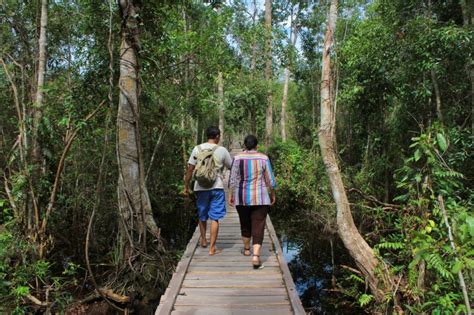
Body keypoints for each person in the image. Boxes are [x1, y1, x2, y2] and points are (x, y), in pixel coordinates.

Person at [229, 135, 276, 268]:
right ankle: (256, 256)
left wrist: (231, 194)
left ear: (244, 145)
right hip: (261, 197)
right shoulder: (263, 158)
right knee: (258, 225)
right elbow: (270, 179)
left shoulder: (237, 158)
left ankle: (247, 249)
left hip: (242, 197)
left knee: (245, 222)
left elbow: (232, 178)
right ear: (257, 146)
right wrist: (272, 193)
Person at [184, 126, 232, 255]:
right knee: (215, 218)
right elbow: (231, 166)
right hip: (216, 187)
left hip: (200, 187)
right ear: (217, 136)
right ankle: (212, 248)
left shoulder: (197, 149)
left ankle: (204, 240)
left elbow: (190, 169)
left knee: (202, 214)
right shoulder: (222, 150)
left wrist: (186, 186)